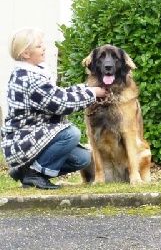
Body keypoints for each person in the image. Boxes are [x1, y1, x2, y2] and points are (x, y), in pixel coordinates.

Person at [1, 27, 107, 189]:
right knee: (70, 133)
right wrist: (92, 93)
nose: (44, 48)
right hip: (22, 141)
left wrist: (87, 88)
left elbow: (57, 94)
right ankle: (35, 175)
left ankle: (25, 171)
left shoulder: (36, 73)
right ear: (25, 54)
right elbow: (60, 104)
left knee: (82, 158)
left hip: (34, 137)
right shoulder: (28, 79)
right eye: (39, 46)